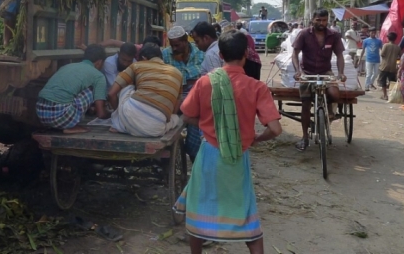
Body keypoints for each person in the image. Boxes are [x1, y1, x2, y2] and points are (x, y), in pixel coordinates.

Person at [174, 30, 282, 254]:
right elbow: (275, 129)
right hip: (237, 157)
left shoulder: (206, 83)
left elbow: (185, 115)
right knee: (245, 212)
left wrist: (209, 125)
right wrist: (256, 139)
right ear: (246, 54)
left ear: (220, 55)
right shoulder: (256, 87)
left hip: (209, 155)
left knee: (201, 206)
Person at [291, 8, 346, 152]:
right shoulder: (304, 34)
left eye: (324, 20)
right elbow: (295, 54)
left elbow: (340, 55)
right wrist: (298, 71)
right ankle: (304, 137)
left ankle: (330, 112)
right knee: (305, 105)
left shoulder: (333, 35)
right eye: (318, 20)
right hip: (307, 72)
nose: (322, 23)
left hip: (325, 72)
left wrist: (340, 73)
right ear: (312, 20)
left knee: (334, 94)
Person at [107, 43, 183, 137]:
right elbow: (175, 108)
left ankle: (120, 123)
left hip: (130, 116)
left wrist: (118, 115)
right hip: (156, 130)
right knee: (175, 118)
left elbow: (111, 94)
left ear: (143, 58)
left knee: (127, 86)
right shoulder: (178, 73)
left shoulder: (136, 66)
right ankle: (133, 127)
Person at [36, 44, 108, 134]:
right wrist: (109, 115)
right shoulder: (98, 76)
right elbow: (100, 114)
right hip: (61, 117)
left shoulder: (67, 67)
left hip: (41, 113)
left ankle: (64, 123)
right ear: (99, 62)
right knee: (91, 90)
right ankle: (69, 126)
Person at [162, 26, 204, 97]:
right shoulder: (165, 54)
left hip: (196, 97)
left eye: (177, 45)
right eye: (172, 46)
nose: (174, 49)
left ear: (185, 41)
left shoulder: (199, 53)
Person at [378, 32, 402, 101]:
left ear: (388, 38)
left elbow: (382, 54)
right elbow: (400, 57)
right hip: (393, 67)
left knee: (383, 81)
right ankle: (391, 95)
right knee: (392, 82)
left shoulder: (385, 45)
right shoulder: (397, 47)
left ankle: (385, 95)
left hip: (384, 66)